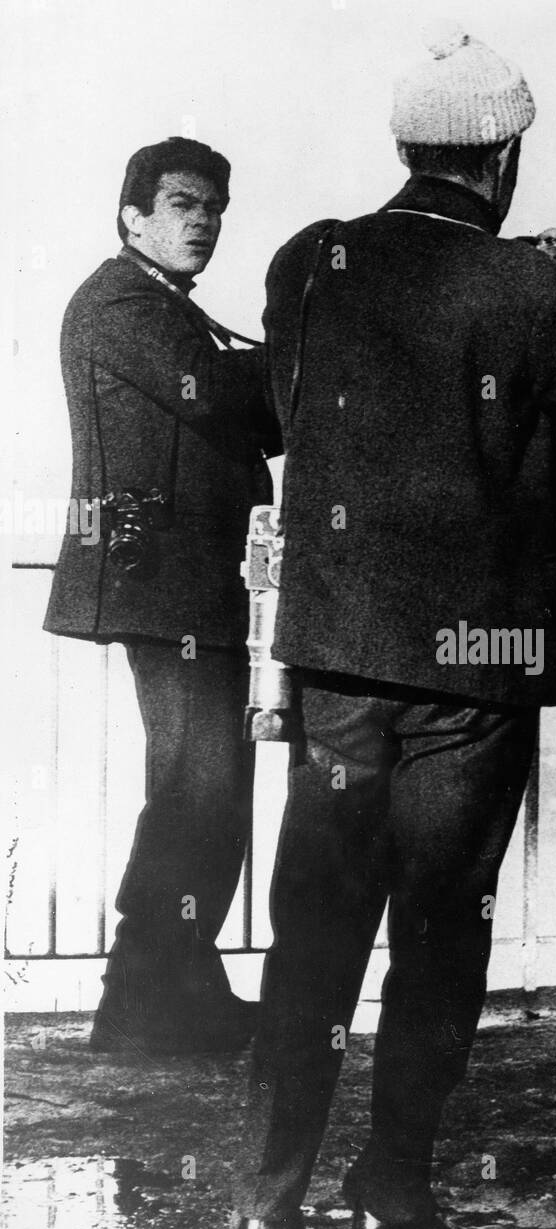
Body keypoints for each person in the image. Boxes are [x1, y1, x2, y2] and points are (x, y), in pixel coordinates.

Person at [228, 27, 556, 1229]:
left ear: (405, 146)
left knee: (313, 931)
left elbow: (286, 414)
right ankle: (394, 1201)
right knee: (439, 934)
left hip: (331, 663)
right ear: (502, 155)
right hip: (471, 682)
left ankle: (265, 1208)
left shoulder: (306, 261)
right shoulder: (532, 290)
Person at [44, 137, 278, 1053]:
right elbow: (226, 398)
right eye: (184, 203)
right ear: (131, 214)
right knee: (199, 788)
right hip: (167, 589)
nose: (204, 221)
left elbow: (235, 393)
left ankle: (177, 991)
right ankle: (138, 1005)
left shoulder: (166, 308)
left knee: (203, 790)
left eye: (215, 206)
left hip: (192, 590)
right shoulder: (122, 303)